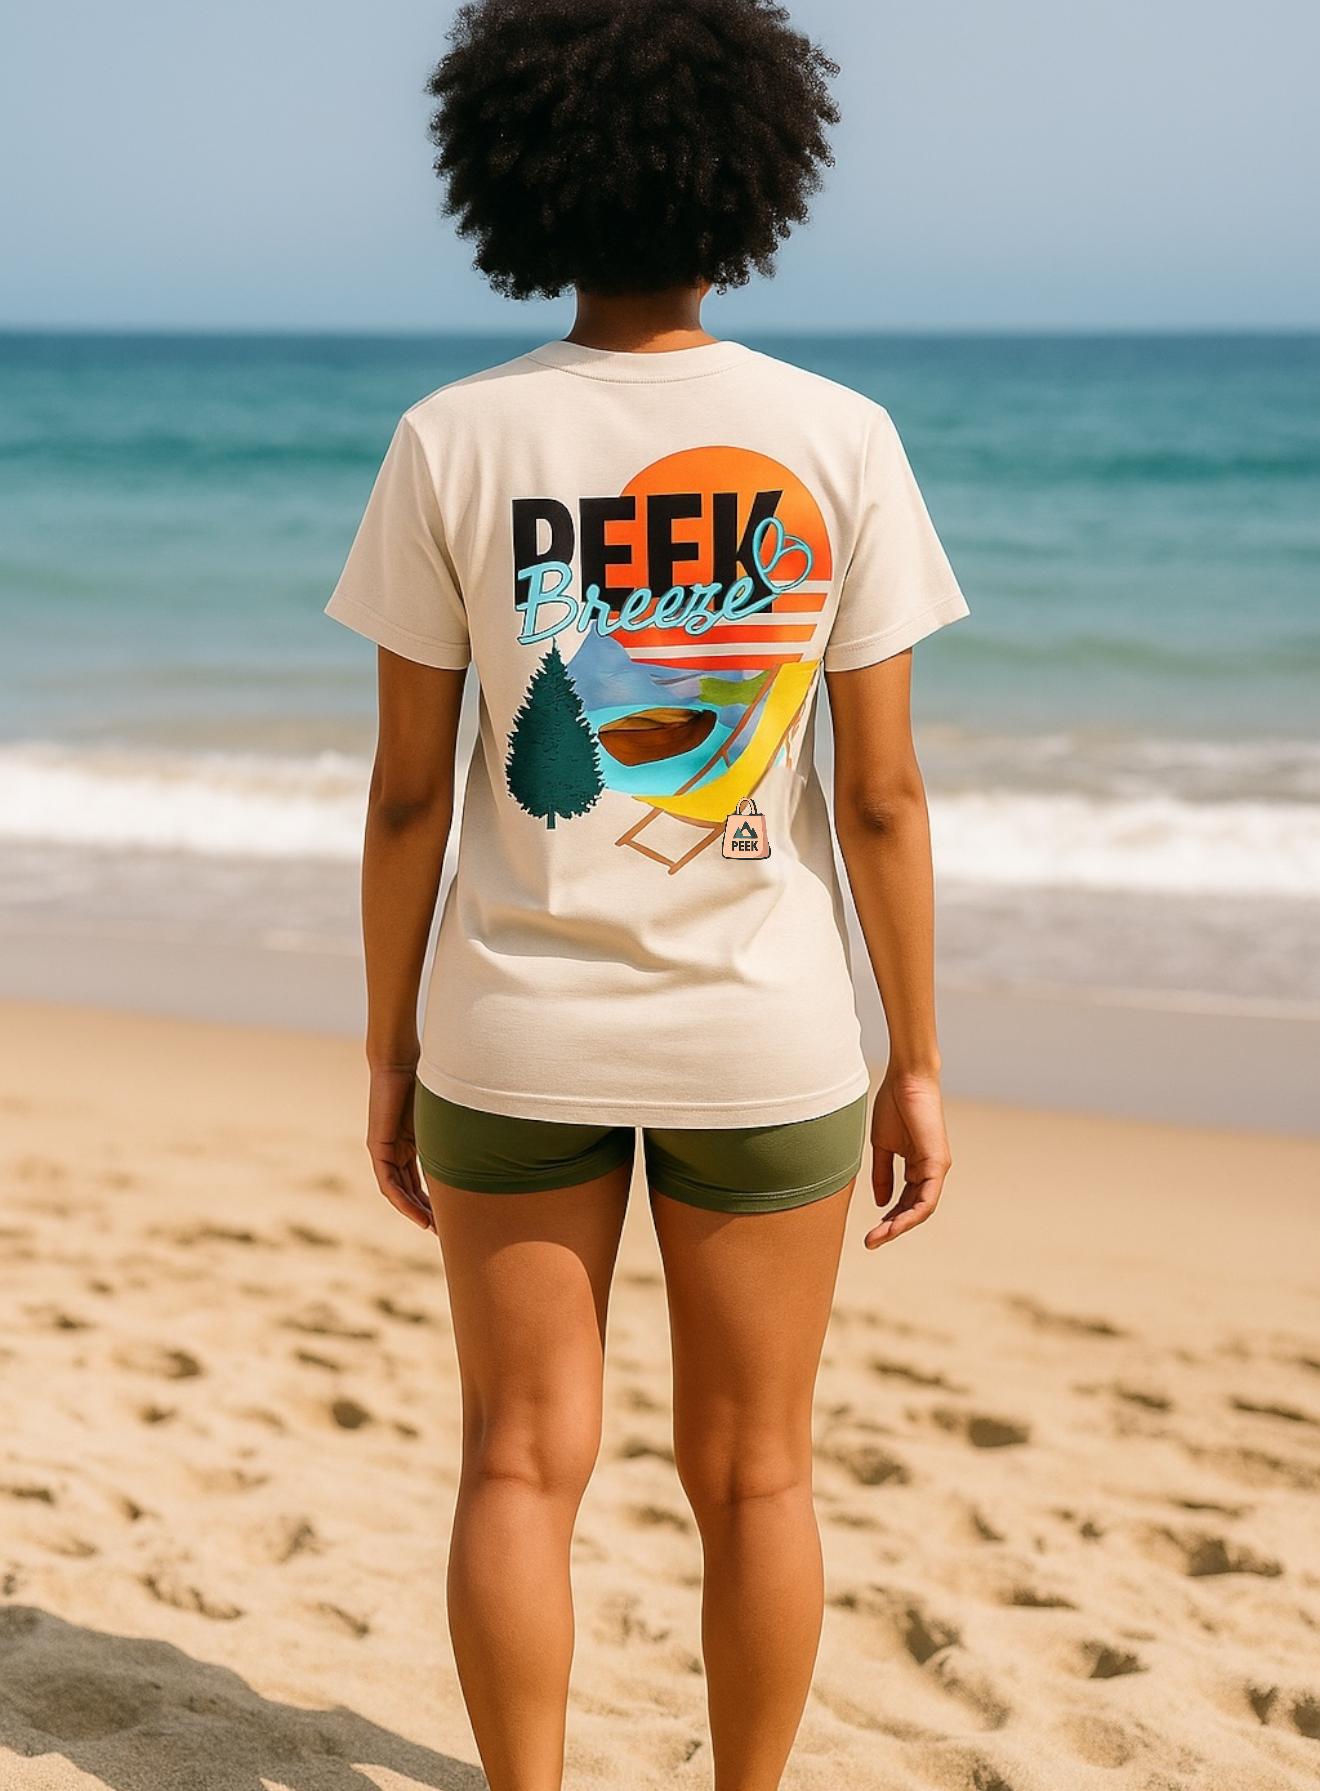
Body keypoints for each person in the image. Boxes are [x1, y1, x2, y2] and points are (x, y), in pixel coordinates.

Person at [325, 2, 969, 1786]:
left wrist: (388, 1047)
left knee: (517, 1458)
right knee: (759, 1471)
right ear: (751, 177)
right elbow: (884, 798)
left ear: (517, 175)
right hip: (767, 1038)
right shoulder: (840, 436)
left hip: (510, 1027)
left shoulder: (452, 439)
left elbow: (407, 796)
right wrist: (918, 1058)